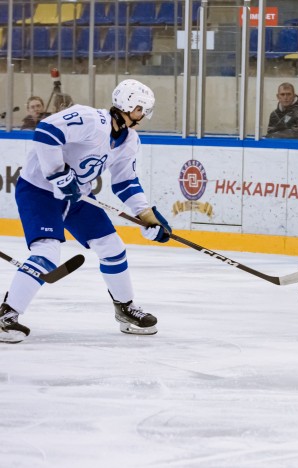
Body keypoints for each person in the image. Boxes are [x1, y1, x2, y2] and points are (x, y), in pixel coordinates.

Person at [0, 79, 171, 344]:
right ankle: (7, 315)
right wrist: (58, 174)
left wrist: (145, 214)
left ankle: (125, 309)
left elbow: (125, 182)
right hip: (39, 191)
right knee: (47, 253)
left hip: (77, 198)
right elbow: (46, 132)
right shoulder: (90, 119)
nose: (143, 115)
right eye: (140, 108)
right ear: (126, 104)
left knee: (113, 248)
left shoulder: (129, 141)